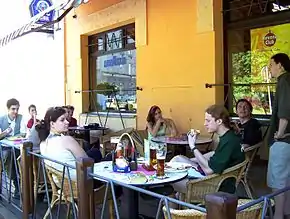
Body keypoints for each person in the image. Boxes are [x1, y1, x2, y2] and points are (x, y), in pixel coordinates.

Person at [171, 105, 245, 199]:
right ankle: (179, 206)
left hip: (214, 185)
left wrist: (193, 147)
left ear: (219, 121)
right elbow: (215, 154)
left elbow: (208, 170)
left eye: (208, 120)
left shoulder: (229, 142)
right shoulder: (228, 136)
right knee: (178, 159)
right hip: (215, 178)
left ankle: (174, 212)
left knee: (170, 182)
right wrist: (191, 160)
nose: (205, 124)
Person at [36, 107, 103, 181]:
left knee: (94, 152)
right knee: (100, 154)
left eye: (66, 119)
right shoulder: (66, 140)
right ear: (52, 124)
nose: (67, 122)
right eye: (62, 120)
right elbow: (87, 163)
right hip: (82, 183)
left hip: (61, 184)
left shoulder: (43, 143)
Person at [266, 53, 290, 219]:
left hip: (283, 140)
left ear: (280, 65)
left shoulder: (284, 81)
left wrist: (279, 133)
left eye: (271, 65)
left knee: (278, 181)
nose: (269, 69)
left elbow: (284, 110)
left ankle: (279, 215)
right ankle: (287, 212)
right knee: (286, 179)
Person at [0, 98, 26, 198]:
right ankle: (16, 183)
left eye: (17, 109)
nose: (15, 111)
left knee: (26, 155)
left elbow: (23, 133)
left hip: (16, 146)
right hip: (4, 147)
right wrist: (6, 132)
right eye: (13, 109)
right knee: (8, 156)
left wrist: (18, 136)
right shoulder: (1, 119)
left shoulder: (20, 118)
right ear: (8, 109)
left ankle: (26, 185)